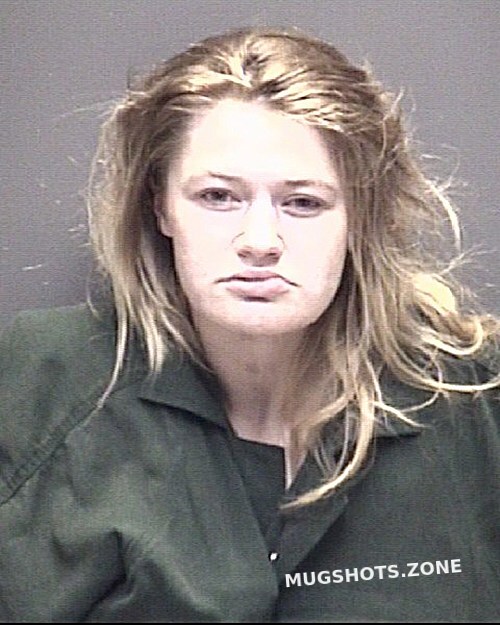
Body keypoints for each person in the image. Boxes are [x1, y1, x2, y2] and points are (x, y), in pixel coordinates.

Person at [0, 26, 498, 623]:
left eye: (303, 203)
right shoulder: (40, 385)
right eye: (218, 197)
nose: (260, 241)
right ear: (160, 205)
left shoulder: (474, 400)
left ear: (360, 216)